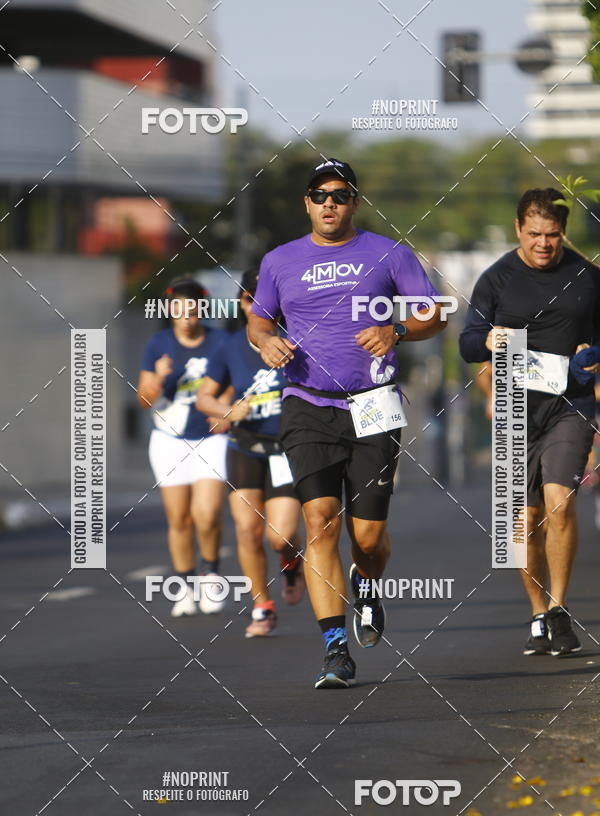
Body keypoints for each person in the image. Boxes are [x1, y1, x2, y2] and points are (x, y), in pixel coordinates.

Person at [248, 158, 447, 688]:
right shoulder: (278, 260)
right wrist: (265, 339)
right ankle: (335, 647)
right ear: (306, 203)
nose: (329, 203)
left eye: (339, 195)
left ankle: (366, 583)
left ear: (355, 201)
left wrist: (398, 330)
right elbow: (259, 316)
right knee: (318, 521)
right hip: (306, 403)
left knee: (368, 539)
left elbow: (434, 313)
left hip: (373, 403)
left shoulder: (390, 253)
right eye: (319, 195)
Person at [459, 188, 600, 656]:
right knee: (525, 520)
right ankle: (538, 611)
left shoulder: (587, 277)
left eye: (554, 235)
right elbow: (467, 343)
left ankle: (559, 610)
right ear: (519, 229)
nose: (544, 243)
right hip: (515, 407)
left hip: (570, 404)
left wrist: (593, 356)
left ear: (564, 233)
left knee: (559, 501)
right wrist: (489, 340)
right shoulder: (496, 279)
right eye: (535, 234)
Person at [196, 268, 306, 637]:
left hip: (286, 449)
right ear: (242, 303)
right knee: (246, 531)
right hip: (244, 447)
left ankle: (291, 562)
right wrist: (225, 412)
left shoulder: (298, 337)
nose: (257, 307)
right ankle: (262, 607)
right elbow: (204, 397)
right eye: (250, 300)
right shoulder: (229, 346)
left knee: (281, 535)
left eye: (266, 301)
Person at [137, 275, 230, 617]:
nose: (186, 315)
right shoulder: (158, 343)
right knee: (178, 518)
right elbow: (145, 400)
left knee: (206, 515)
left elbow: (235, 384)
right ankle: (185, 586)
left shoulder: (220, 341)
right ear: (170, 310)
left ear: (201, 310)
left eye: (192, 308)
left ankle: (210, 574)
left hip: (210, 440)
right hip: (168, 440)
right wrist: (159, 377)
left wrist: (225, 411)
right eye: (179, 307)